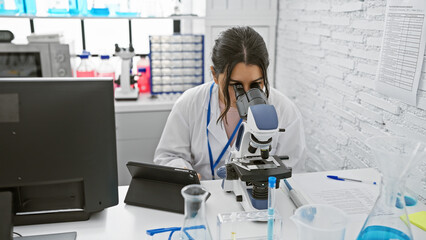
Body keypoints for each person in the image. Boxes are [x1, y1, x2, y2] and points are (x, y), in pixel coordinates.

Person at [154, 26, 306, 180]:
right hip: (205, 195)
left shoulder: (285, 110)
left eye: (256, 85)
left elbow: (294, 170)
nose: (245, 96)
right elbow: (167, 157)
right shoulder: (189, 103)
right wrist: (185, 172)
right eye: (235, 86)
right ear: (214, 75)